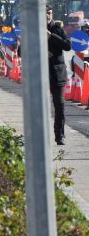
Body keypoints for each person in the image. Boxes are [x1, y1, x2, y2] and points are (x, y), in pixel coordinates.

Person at [48, 8, 72, 146]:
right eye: (44, 12)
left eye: (49, 13)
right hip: (39, 74)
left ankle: (59, 135)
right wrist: (41, 52)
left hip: (57, 73)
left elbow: (68, 46)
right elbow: (21, 51)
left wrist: (51, 36)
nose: (47, 15)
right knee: (38, 105)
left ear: (52, 14)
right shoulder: (33, 29)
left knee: (60, 105)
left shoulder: (58, 29)